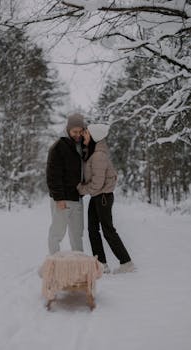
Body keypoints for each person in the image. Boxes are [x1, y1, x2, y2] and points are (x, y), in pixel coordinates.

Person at [77, 123, 135, 274]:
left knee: (107, 230)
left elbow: (97, 183)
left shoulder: (98, 155)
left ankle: (126, 263)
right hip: (97, 196)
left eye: (87, 133)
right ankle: (101, 264)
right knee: (92, 230)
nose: (84, 135)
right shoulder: (93, 152)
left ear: (94, 137)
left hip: (102, 196)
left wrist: (80, 189)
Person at [46, 113, 85, 254]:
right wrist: (59, 198)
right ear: (68, 129)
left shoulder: (82, 146)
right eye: (75, 131)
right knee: (57, 232)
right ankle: (54, 262)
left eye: (81, 131)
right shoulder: (58, 147)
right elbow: (52, 176)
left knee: (77, 234)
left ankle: (79, 262)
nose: (78, 134)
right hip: (62, 199)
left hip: (77, 198)